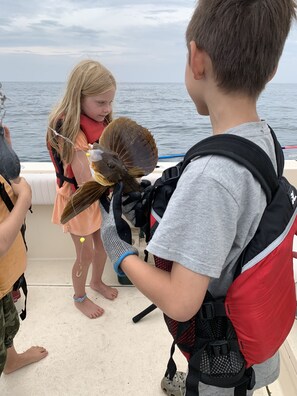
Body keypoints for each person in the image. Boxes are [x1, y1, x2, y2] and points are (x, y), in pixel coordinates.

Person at [98, 1, 297, 395]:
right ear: (272, 69)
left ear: (196, 59)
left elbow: (180, 302)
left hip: (221, 363)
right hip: (255, 343)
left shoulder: (211, 177)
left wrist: (117, 248)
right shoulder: (265, 141)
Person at [46, 60, 118, 319]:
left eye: (110, 102)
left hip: (95, 201)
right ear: (80, 97)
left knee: (102, 246)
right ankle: (79, 297)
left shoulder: (99, 122)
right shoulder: (71, 131)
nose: (107, 109)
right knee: (85, 251)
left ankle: (96, 282)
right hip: (77, 204)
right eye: (101, 103)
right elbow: (85, 177)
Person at [0, 125, 48, 375]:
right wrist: (26, 198)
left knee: (8, 326)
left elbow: (11, 183)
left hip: (3, 280)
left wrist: (8, 153)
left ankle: (12, 361)